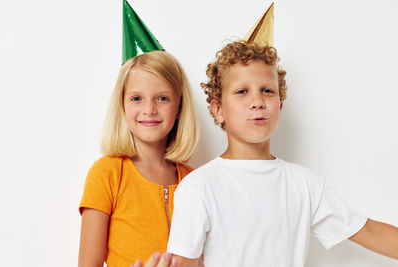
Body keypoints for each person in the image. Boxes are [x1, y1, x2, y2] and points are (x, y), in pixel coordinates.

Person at [164, 41, 398, 267]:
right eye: (242, 91)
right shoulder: (198, 187)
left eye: (267, 91)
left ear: (280, 105)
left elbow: (369, 232)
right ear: (218, 110)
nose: (257, 101)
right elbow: (183, 262)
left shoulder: (304, 184)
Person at [78, 50, 199, 267]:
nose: (149, 109)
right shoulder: (107, 173)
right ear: (122, 105)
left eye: (162, 98)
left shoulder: (193, 180)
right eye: (136, 98)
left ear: (179, 106)